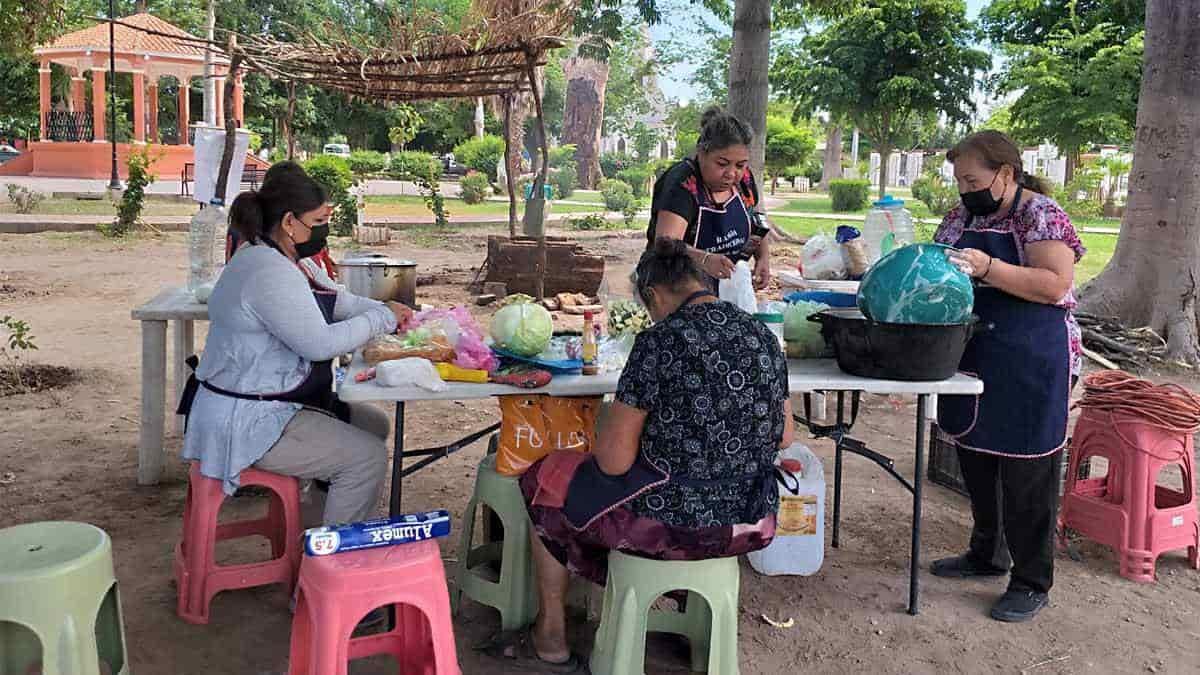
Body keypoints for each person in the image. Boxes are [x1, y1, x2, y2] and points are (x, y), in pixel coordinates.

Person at [488, 237, 794, 670]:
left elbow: (614, 462)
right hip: (749, 518)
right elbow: (784, 435)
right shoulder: (761, 335)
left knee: (546, 477)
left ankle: (552, 632)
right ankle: (694, 627)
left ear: (653, 295)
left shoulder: (658, 342)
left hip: (669, 522)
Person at [180, 164, 410, 525]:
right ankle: (329, 565)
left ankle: (313, 529)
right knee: (366, 458)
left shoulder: (287, 259)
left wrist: (392, 311)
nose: (323, 229)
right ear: (290, 222)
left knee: (372, 425)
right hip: (247, 417)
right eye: (317, 221)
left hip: (267, 399)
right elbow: (319, 345)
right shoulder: (268, 271)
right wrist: (381, 320)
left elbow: (338, 301)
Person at [933, 130, 1086, 623]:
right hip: (976, 349)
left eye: (972, 179)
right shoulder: (962, 215)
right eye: (958, 180)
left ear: (1006, 174)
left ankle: (1031, 580)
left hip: (1032, 354)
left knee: (1027, 471)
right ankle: (986, 554)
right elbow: (941, 261)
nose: (963, 190)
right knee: (975, 455)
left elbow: (1054, 284)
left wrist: (988, 268)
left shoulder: (1039, 213)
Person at [648, 107, 772, 290]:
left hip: (728, 286)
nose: (731, 174)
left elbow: (756, 220)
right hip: (675, 288)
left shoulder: (744, 179)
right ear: (701, 152)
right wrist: (704, 259)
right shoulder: (682, 183)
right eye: (722, 164)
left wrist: (763, 257)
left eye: (740, 165)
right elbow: (665, 242)